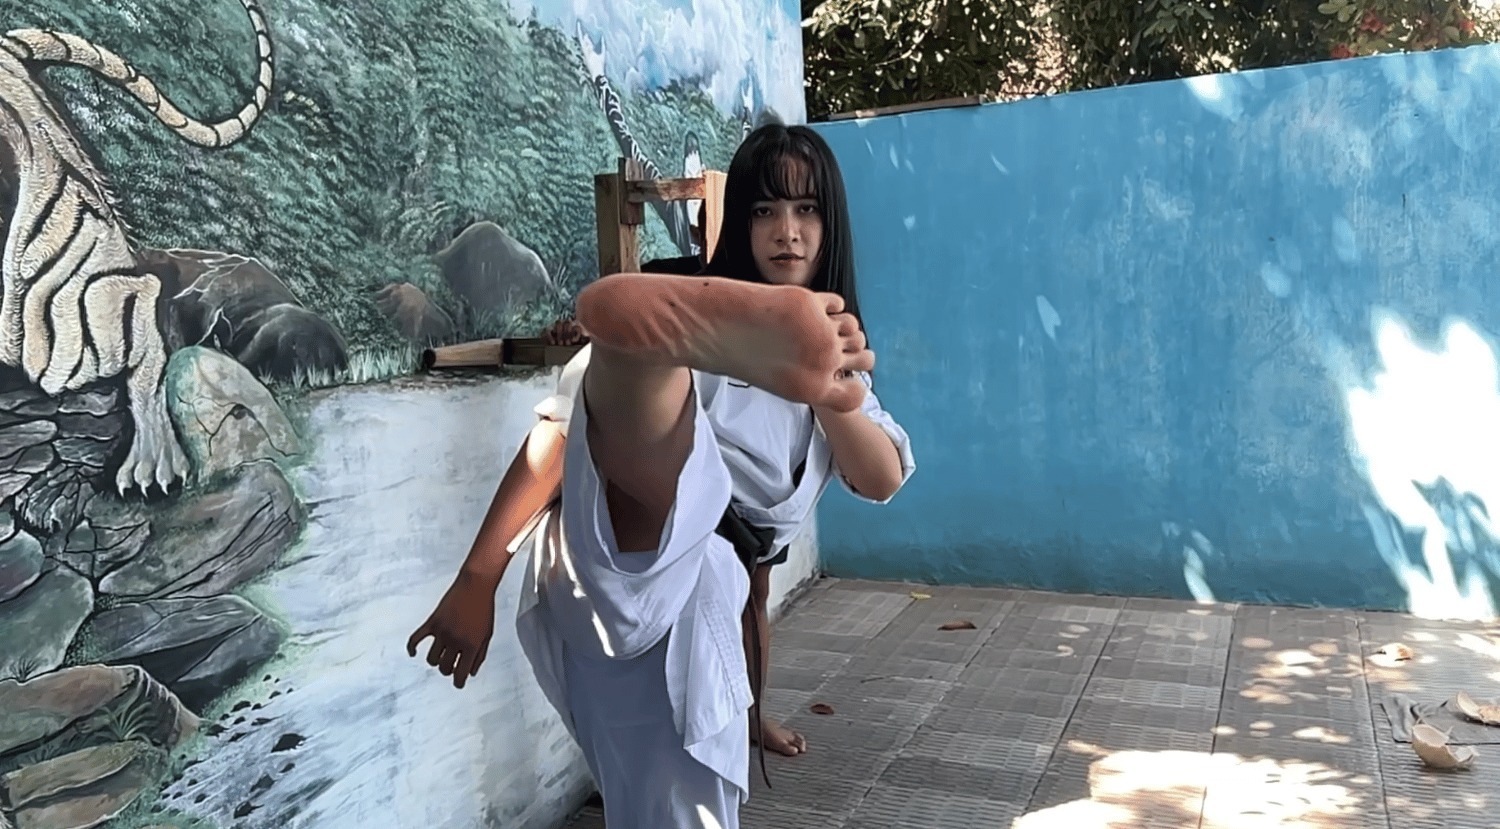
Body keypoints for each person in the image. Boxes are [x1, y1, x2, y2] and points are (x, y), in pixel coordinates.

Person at [407, 122, 914, 829]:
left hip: (699, 573)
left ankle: (633, 355)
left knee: (658, 781)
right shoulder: (740, 344)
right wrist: (477, 579)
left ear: (832, 225)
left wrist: (831, 392)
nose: (787, 232)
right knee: (676, 798)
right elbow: (554, 439)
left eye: (806, 209)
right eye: (764, 210)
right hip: (623, 545)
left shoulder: (840, 364)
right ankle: (635, 353)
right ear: (738, 225)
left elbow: (880, 476)